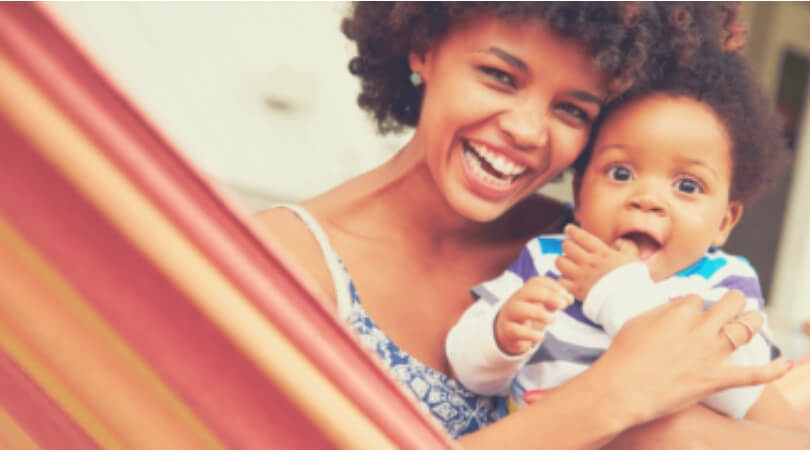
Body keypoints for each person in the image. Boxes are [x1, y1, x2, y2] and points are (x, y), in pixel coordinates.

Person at [255, 3, 806, 448]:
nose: (526, 130)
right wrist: (613, 398)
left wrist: (671, 429)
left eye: (572, 110)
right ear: (422, 48)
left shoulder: (585, 244)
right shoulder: (281, 261)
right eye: (499, 76)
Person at [446, 46, 799, 425]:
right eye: (620, 173)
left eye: (687, 185)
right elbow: (467, 369)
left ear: (724, 222)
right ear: (580, 194)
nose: (647, 199)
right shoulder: (549, 260)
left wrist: (615, 291)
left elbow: (737, 390)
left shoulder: (725, 283)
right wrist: (500, 340)